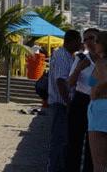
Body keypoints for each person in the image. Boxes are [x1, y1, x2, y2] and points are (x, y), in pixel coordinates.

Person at [47, 29, 82, 172]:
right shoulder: (62, 55)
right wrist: (68, 103)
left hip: (62, 103)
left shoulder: (69, 56)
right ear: (72, 41)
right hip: (61, 104)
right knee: (59, 139)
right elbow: (61, 81)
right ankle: (54, 168)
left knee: (62, 139)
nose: (80, 44)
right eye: (79, 41)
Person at [66, 28, 99, 172]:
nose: (88, 42)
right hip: (81, 101)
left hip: (99, 103)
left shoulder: (104, 60)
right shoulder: (80, 58)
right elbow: (70, 83)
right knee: (74, 142)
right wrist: (79, 68)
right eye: (85, 39)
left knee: (95, 144)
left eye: (91, 38)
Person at [88, 31, 107, 171]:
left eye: (97, 41)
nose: (94, 44)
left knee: (99, 163)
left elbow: (104, 79)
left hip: (100, 108)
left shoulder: (102, 62)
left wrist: (96, 91)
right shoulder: (98, 62)